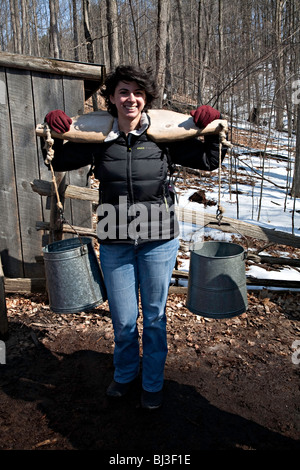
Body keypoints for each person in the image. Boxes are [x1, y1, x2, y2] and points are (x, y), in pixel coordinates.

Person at [43, 65, 227, 410]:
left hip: (158, 239)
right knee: (124, 318)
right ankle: (126, 374)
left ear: (146, 100)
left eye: (138, 92)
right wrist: (55, 128)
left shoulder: (162, 137)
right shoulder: (99, 140)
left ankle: (153, 382)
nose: (131, 98)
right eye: (123, 91)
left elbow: (208, 159)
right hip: (115, 240)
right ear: (111, 98)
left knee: (155, 317)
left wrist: (212, 124)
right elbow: (58, 161)